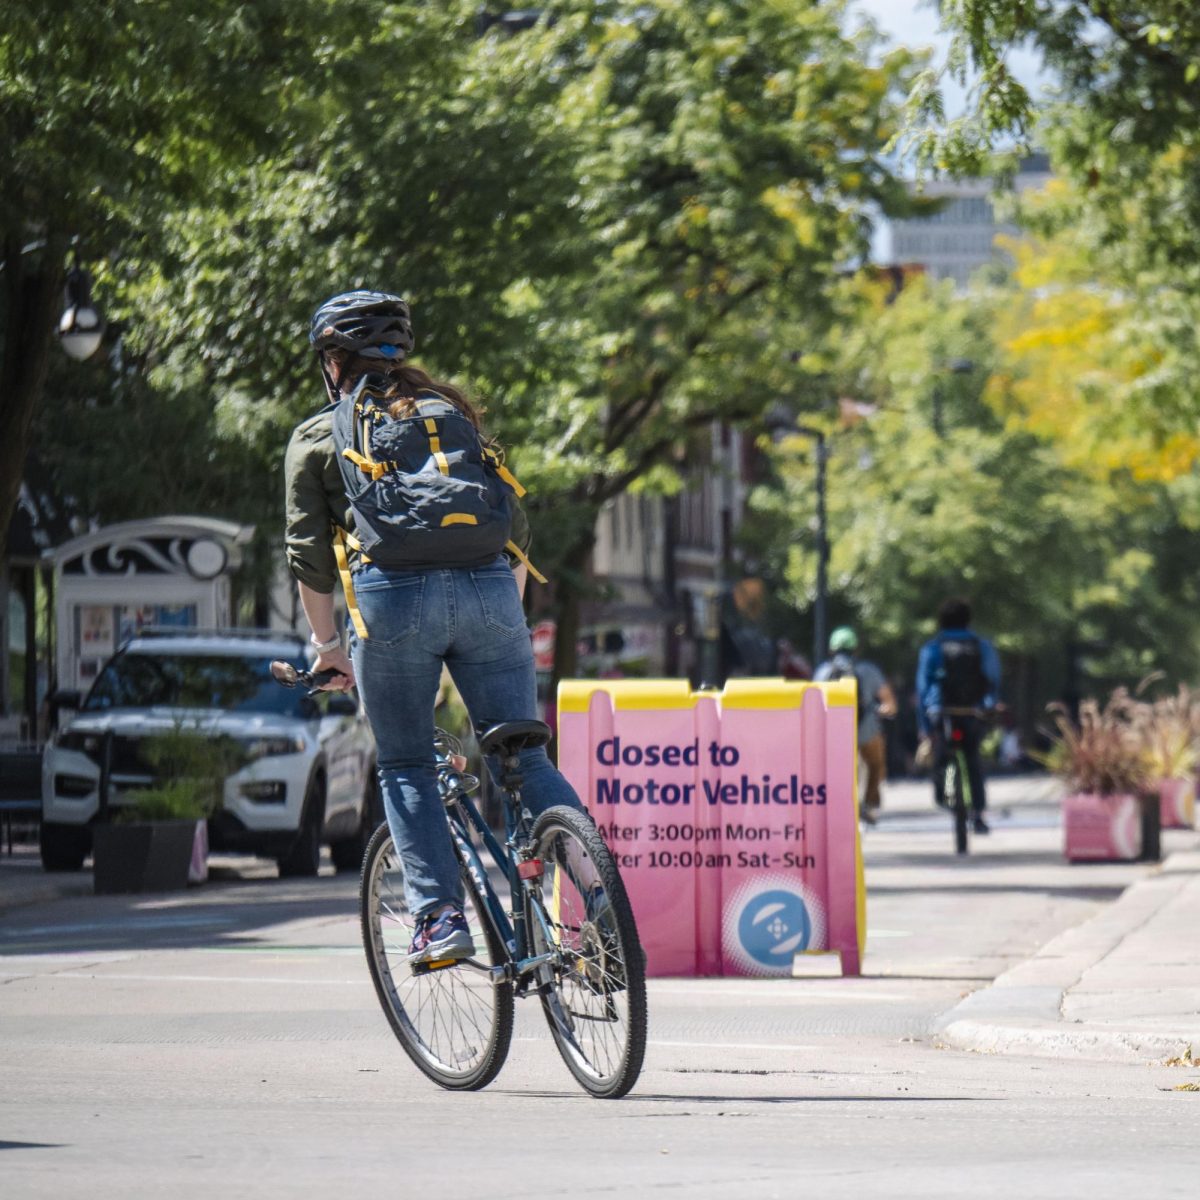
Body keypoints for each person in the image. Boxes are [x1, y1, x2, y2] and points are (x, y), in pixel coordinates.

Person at [285, 290, 584, 963]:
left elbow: (308, 556)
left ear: (333, 361)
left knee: (406, 764)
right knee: (524, 754)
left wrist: (328, 648)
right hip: (488, 590)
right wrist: (502, 614)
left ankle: (439, 919)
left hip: (392, 601)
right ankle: (594, 896)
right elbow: (515, 521)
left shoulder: (318, 435)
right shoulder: (451, 412)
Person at [915, 597, 1001, 834]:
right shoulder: (982, 647)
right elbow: (992, 680)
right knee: (973, 760)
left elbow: (923, 688)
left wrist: (925, 726)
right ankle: (979, 813)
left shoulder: (932, 649)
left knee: (943, 759)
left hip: (941, 712)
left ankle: (948, 798)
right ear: (968, 620)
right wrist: (989, 707)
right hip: (974, 711)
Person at [814, 626, 896, 825]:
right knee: (876, 764)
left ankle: (836, 806)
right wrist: (885, 710)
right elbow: (889, 702)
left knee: (832, 769)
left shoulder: (823, 672)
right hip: (866, 729)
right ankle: (870, 804)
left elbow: (814, 703)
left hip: (836, 734)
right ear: (856, 648)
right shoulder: (868, 670)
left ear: (832, 649)